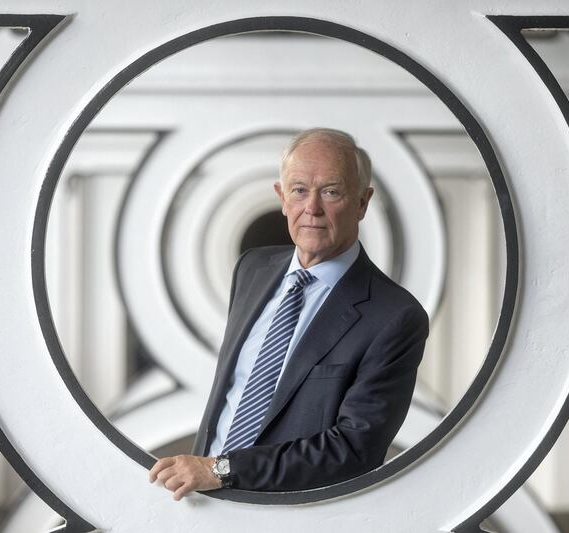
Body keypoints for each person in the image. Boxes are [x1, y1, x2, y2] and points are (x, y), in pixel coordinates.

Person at [149, 128, 429, 500]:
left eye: (331, 191)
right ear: (282, 197)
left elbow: (354, 451)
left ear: (362, 202)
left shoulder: (395, 316)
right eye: (299, 190)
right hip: (203, 507)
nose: (312, 208)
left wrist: (220, 470)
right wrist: (206, 475)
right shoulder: (252, 268)